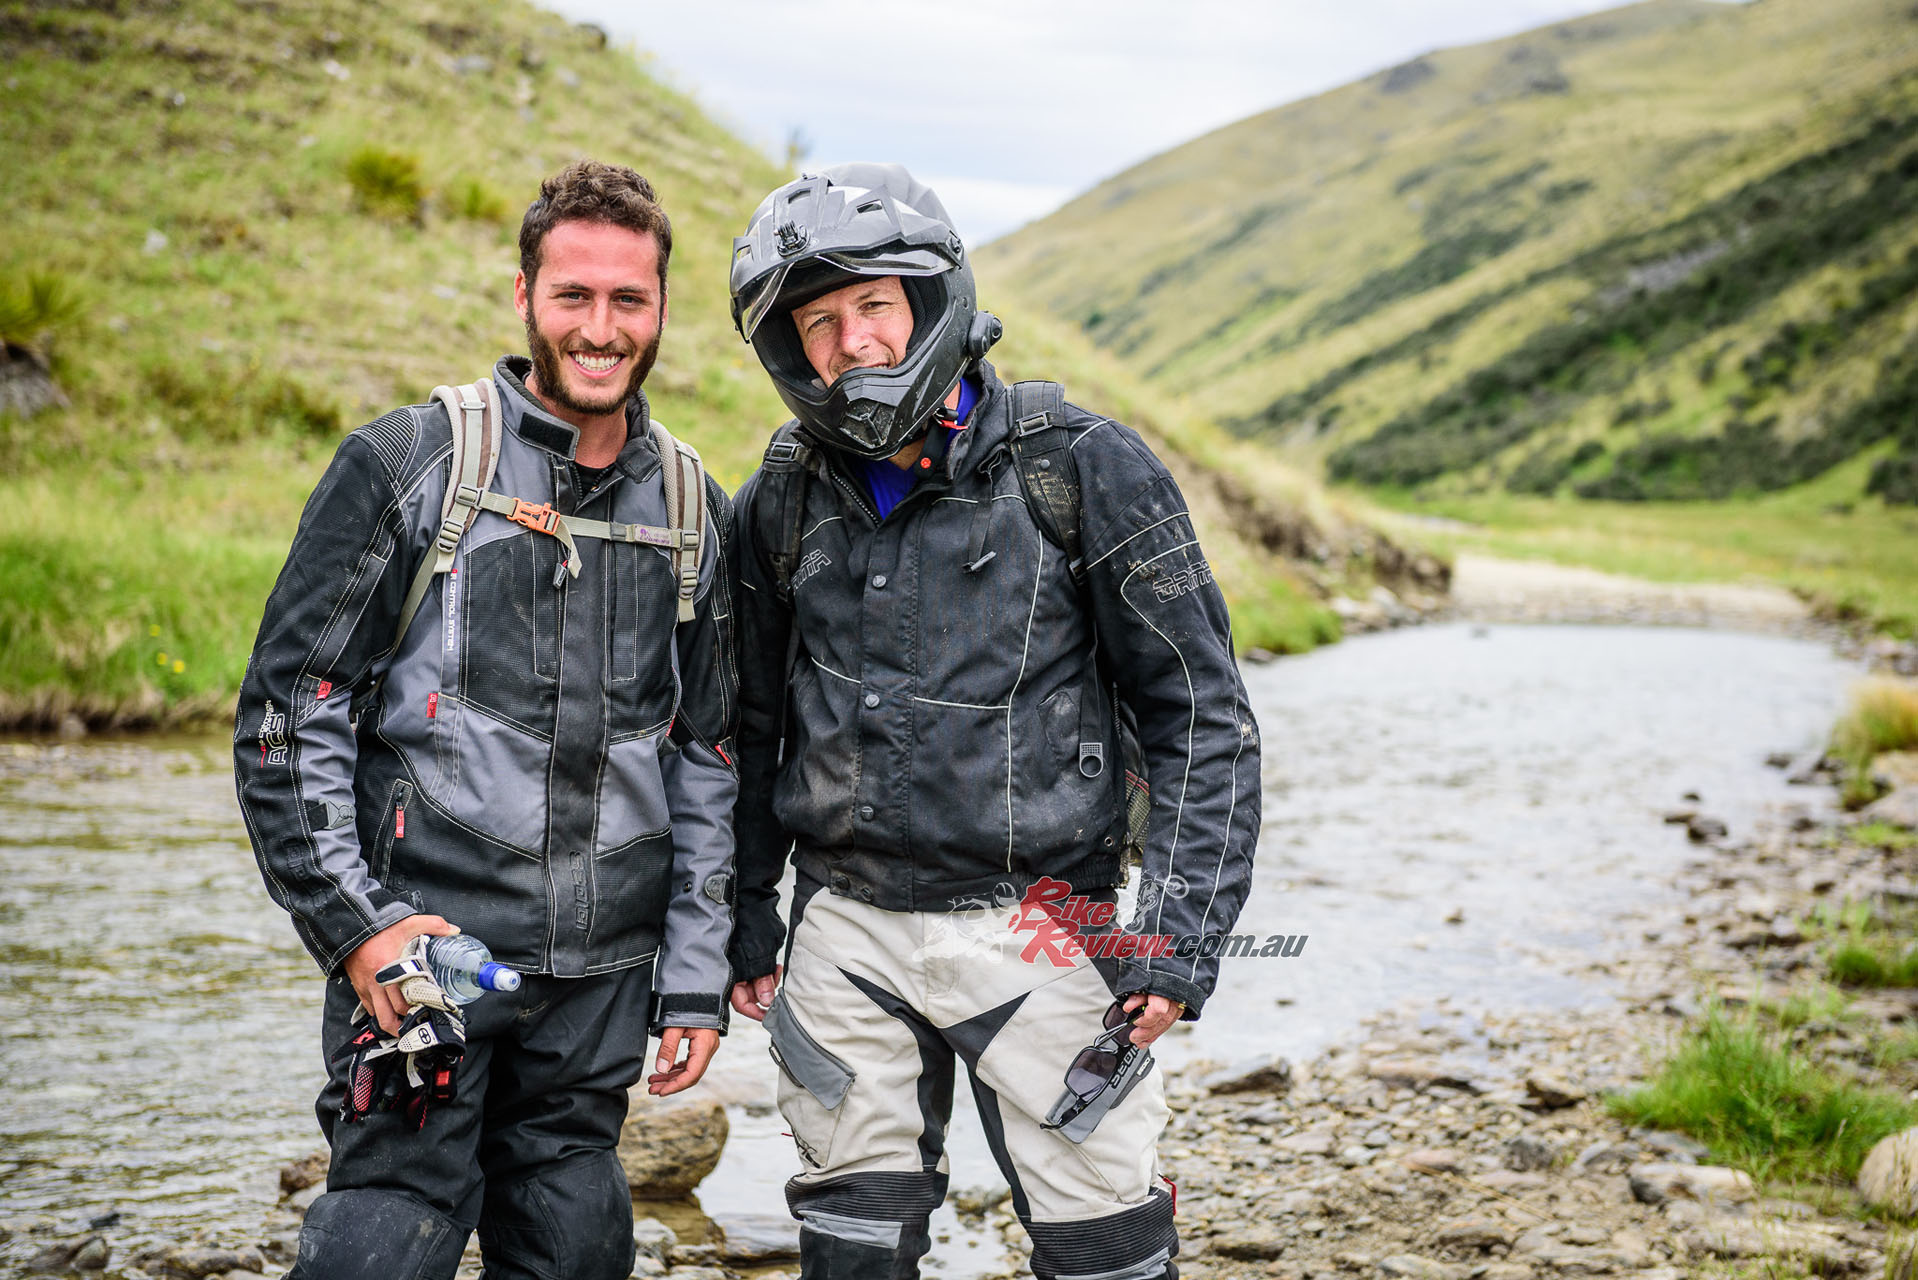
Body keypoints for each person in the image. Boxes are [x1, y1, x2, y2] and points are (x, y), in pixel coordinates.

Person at [725, 163, 1261, 1280]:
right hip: (844, 927)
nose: (853, 343)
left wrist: (1178, 939)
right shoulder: (778, 497)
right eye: (818, 324)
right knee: (849, 1242)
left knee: (1105, 1244)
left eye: (874, 305)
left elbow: (1200, 713)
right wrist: (742, 918)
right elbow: (747, 727)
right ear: (789, 350)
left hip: (1046, 922)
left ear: (933, 299)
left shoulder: (1082, 465)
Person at [233, 159, 738, 1280]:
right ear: (524, 297)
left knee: (578, 1242)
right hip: (424, 957)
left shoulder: (695, 507)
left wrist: (697, 976)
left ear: (661, 306)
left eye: (628, 298)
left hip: (601, 985)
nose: (600, 327)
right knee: (387, 1231)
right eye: (573, 295)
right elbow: (288, 713)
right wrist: (357, 928)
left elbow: (708, 757)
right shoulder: (410, 464)